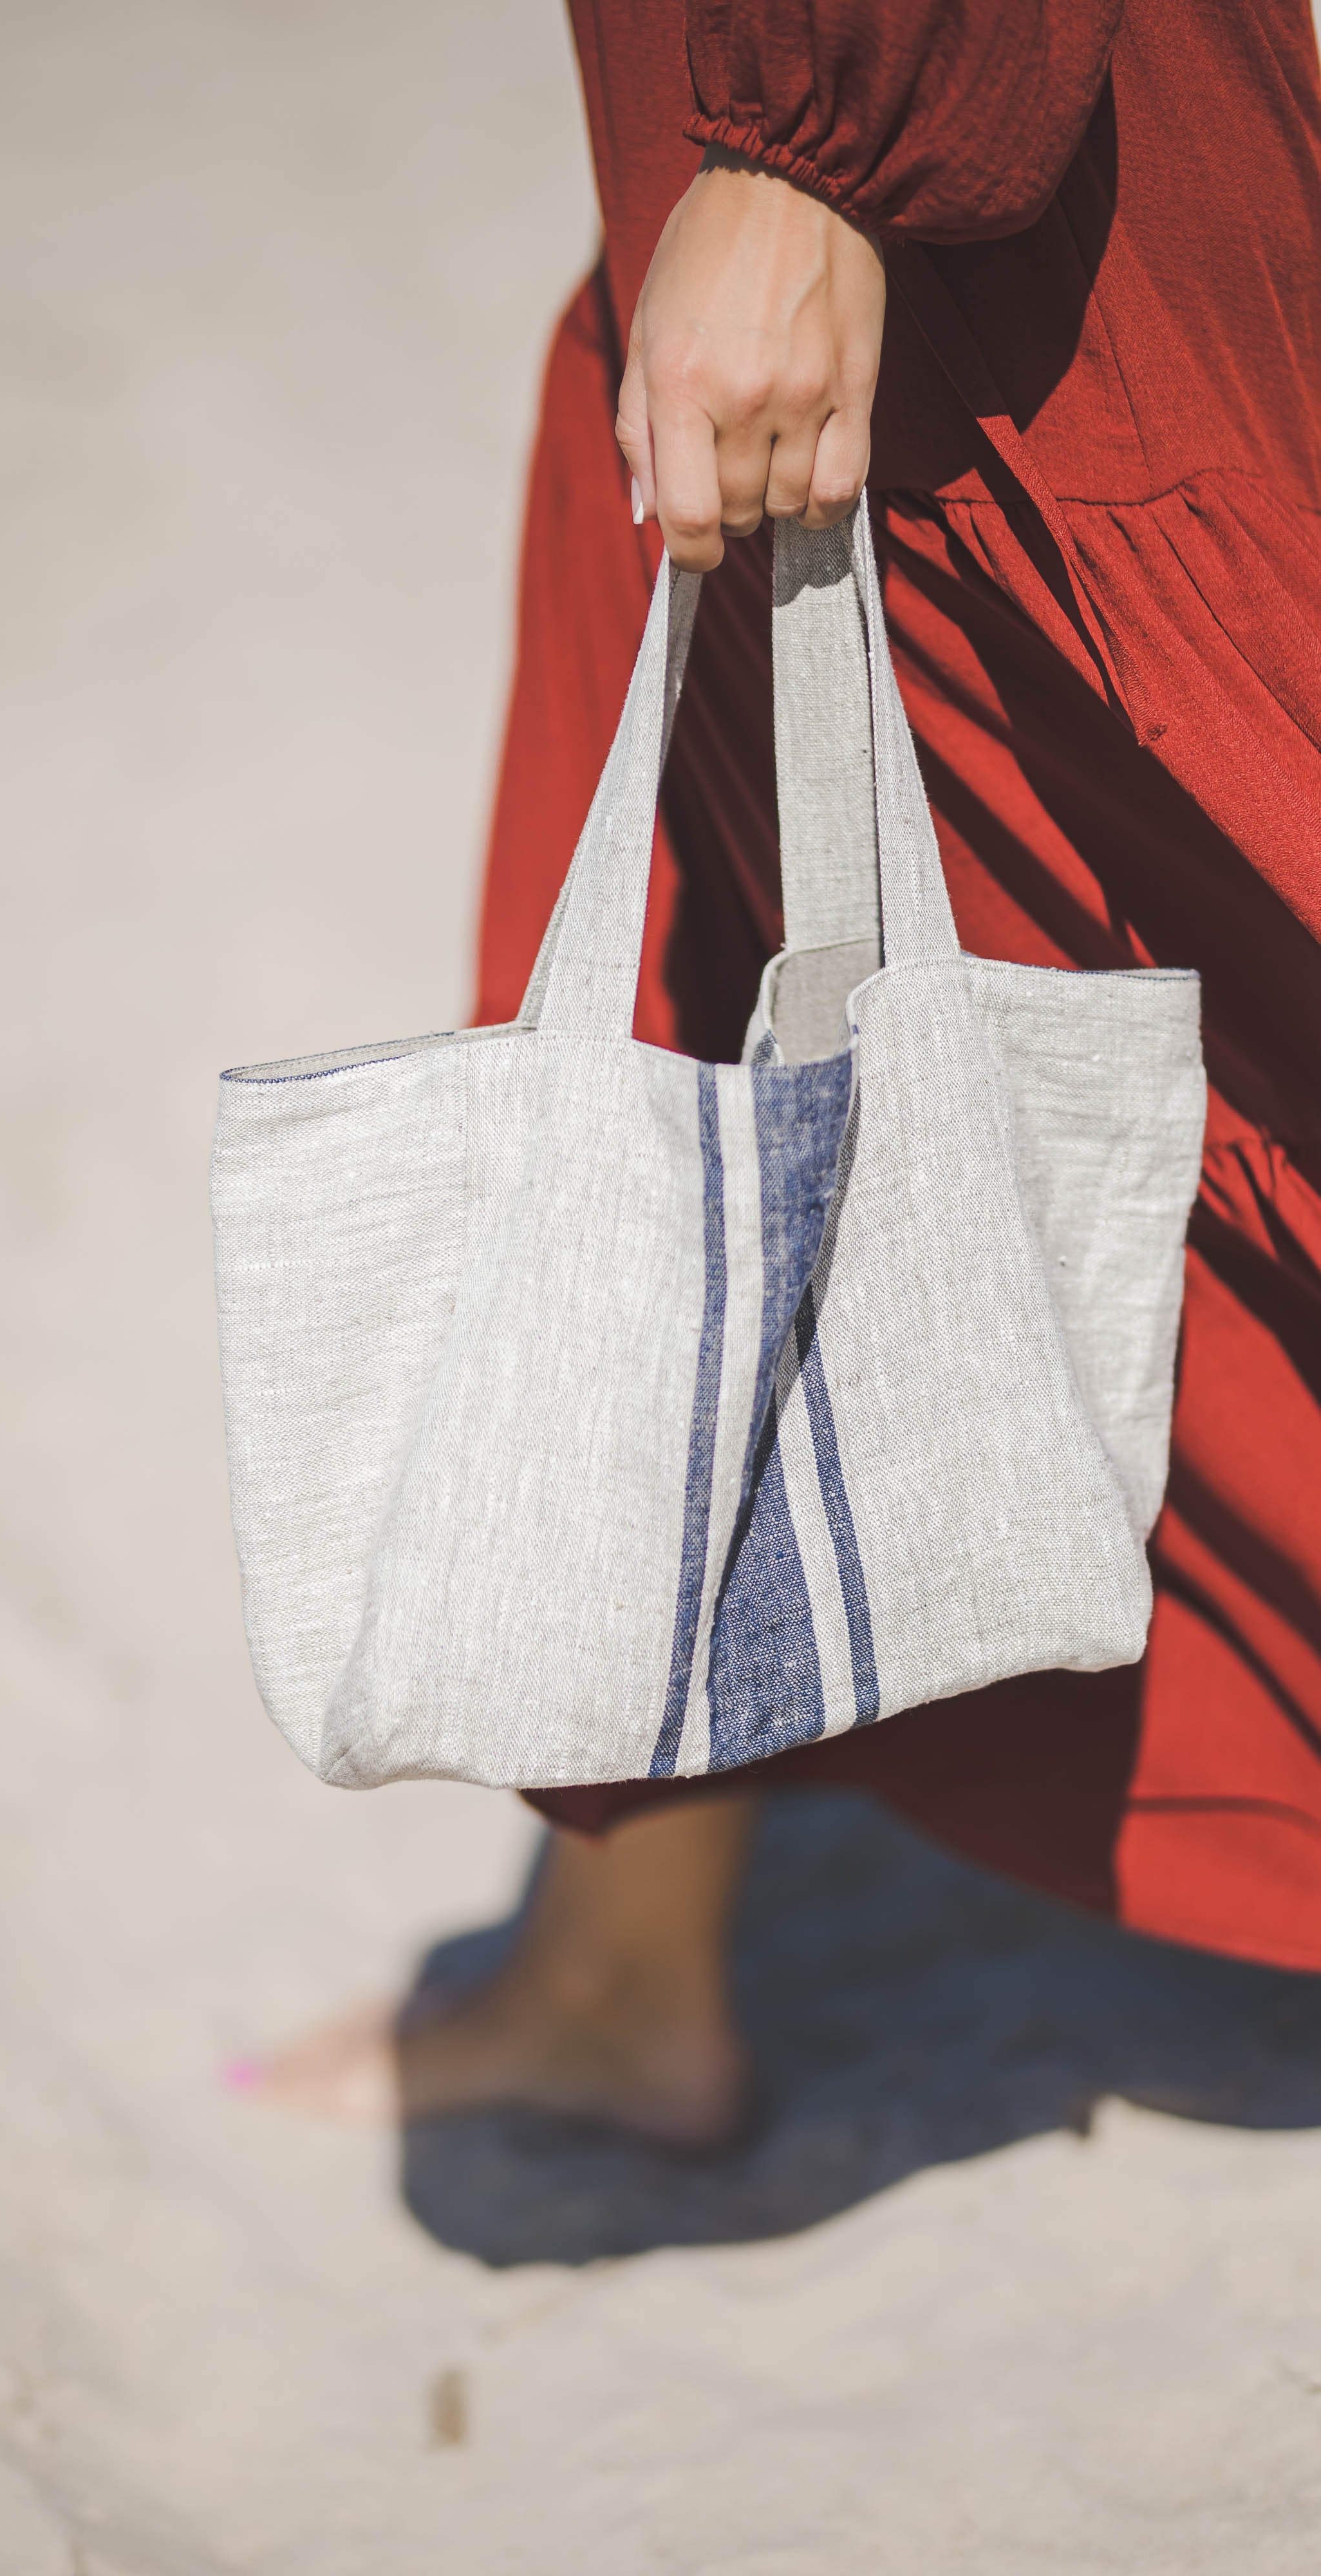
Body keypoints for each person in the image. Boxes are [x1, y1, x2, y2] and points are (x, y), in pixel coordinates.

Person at [249, 0, 1321, 2146]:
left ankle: (610, 1980)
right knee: (698, 1086)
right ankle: (615, 1970)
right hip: (767, 225)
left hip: (918, 253)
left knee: (1217, 1066)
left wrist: (814, 140)